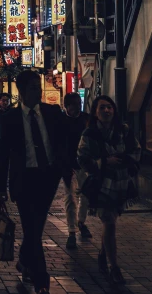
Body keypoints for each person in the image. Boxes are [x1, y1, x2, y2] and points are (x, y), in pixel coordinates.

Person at [0, 70, 67, 294]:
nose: (38, 92)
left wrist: (61, 168)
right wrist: (0, 189)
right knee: (33, 229)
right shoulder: (11, 119)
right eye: (34, 88)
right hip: (24, 181)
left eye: (39, 87)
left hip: (47, 179)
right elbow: (4, 156)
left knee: (35, 228)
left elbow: (63, 141)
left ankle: (25, 260)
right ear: (22, 91)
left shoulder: (51, 113)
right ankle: (41, 281)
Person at [77, 95, 141, 285]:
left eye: (109, 107)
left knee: (110, 222)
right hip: (101, 185)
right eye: (102, 108)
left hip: (121, 183)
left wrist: (125, 162)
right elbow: (82, 158)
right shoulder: (89, 134)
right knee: (110, 222)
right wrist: (104, 162)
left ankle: (103, 254)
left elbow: (136, 150)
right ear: (95, 112)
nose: (107, 111)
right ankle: (114, 267)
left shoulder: (123, 130)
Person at [62, 92, 93, 249]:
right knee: (70, 198)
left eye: (79, 104)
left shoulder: (86, 119)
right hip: (68, 165)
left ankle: (81, 222)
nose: (77, 108)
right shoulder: (61, 121)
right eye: (73, 105)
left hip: (85, 164)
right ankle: (71, 231)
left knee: (86, 195)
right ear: (67, 106)